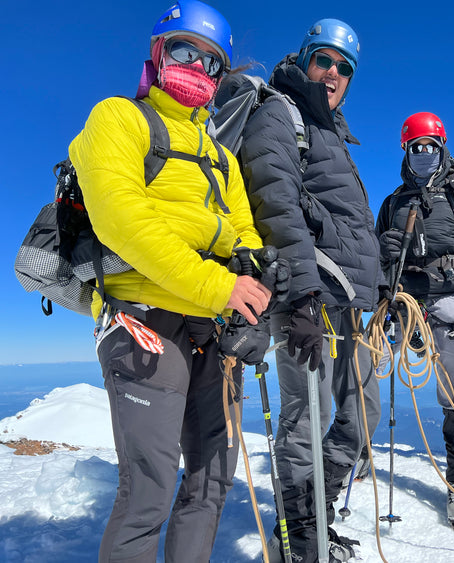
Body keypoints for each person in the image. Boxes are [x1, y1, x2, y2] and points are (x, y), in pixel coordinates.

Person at [68, 2, 282, 560]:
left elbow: (242, 228)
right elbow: (122, 220)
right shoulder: (119, 119)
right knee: (149, 492)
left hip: (209, 328)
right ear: (157, 55)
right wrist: (220, 288)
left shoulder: (220, 159)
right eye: (184, 50)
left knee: (212, 483)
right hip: (143, 320)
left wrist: (252, 286)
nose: (197, 67)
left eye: (212, 62)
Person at [234, 18, 383, 562]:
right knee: (309, 416)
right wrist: (298, 298)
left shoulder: (332, 132)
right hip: (308, 298)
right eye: (325, 60)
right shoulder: (281, 113)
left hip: (346, 303)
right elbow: (277, 205)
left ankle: (317, 520)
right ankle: (300, 540)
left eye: (345, 68)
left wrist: (381, 288)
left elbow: (352, 226)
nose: (333, 73)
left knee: (357, 410)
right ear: (303, 59)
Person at [375, 112, 454, 527]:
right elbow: (373, 261)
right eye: (416, 147)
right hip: (402, 301)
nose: (423, 154)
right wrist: (384, 252)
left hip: (447, 300)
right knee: (365, 367)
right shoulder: (393, 203)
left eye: (431, 147)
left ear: (443, 149)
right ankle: (352, 454)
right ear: (406, 151)